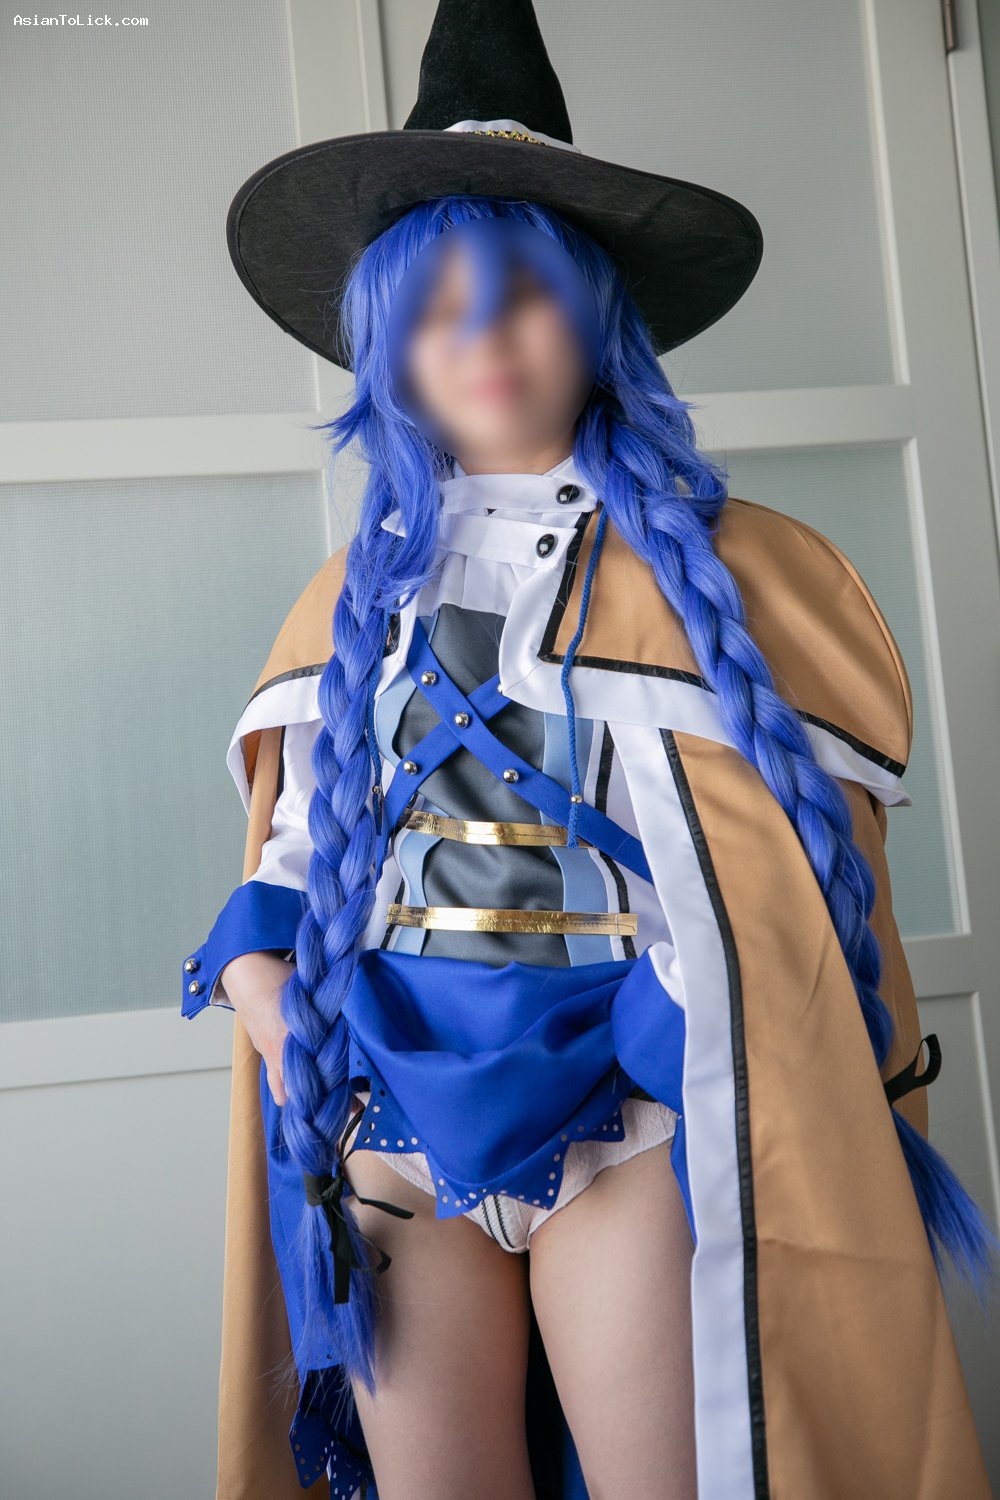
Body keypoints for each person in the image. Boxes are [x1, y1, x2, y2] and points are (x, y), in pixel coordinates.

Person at [181, 3, 998, 1498]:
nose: (481, 340)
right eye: (435, 308)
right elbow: (295, 861)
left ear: (597, 312)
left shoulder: (749, 578)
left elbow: (793, 896)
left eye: (521, 296)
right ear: (387, 344)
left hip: (627, 1119)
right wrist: (274, 1009)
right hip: (388, 1128)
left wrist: (698, 1027)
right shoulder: (349, 597)